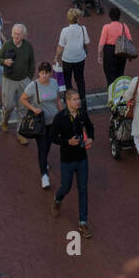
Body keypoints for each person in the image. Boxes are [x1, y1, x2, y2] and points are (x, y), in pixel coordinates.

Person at [50, 89, 94, 236]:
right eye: (75, 99)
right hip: (67, 159)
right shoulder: (60, 118)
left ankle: (83, 223)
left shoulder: (82, 114)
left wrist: (90, 138)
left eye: (78, 99)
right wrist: (67, 141)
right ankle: (57, 199)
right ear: (67, 101)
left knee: (83, 189)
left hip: (82, 157)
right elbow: (53, 137)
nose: (78, 102)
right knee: (66, 187)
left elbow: (90, 127)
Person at [19, 61, 63, 188]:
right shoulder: (33, 86)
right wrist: (33, 109)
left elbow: (58, 100)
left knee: (49, 144)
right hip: (41, 123)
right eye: (42, 73)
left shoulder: (54, 83)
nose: (44, 76)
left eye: (46, 73)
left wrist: (63, 113)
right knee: (42, 147)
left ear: (50, 73)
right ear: (39, 73)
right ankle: (44, 175)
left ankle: (44, 162)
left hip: (53, 121)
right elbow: (23, 99)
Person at [0, 23, 35, 135]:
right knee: (8, 105)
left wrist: (29, 78)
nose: (16, 36)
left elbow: (32, 63)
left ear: (23, 36)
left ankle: (20, 132)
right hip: (9, 80)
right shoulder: (7, 45)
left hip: (24, 80)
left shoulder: (28, 46)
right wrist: (4, 62)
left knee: (23, 107)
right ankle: (4, 120)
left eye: (19, 34)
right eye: (14, 34)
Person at [55, 7, 90, 104]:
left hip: (67, 59)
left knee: (67, 80)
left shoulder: (65, 30)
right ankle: (82, 99)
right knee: (80, 79)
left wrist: (56, 56)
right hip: (80, 57)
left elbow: (61, 46)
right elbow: (86, 42)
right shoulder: (83, 29)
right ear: (78, 18)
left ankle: (69, 99)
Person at [97, 6, 134, 87]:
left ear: (110, 16)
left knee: (110, 75)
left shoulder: (106, 27)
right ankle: (119, 94)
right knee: (120, 74)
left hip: (109, 52)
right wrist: (130, 55)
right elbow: (130, 40)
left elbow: (101, 43)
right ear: (119, 16)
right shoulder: (124, 26)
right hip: (121, 52)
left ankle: (112, 95)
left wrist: (99, 55)